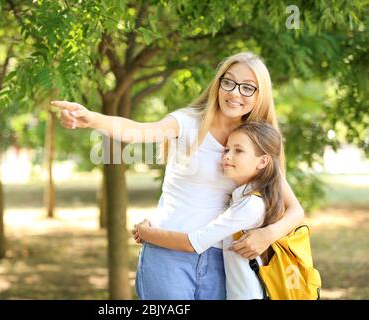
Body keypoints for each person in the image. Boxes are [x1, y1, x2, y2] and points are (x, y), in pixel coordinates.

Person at [51, 52, 304, 299]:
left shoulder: (256, 142)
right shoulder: (187, 122)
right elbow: (137, 132)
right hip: (167, 255)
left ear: (260, 95)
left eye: (248, 87)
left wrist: (266, 235)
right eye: (228, 82)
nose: (235, 92)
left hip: (222, 260)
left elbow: (295, 211)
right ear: (218, 83)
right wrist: (92, 119)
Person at [132, 121, 284, 300]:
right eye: (226, 150)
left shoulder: (250, 206)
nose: (227, 156)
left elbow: (192, 243)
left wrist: (145, 232)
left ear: (263, 161)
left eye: (239, 150)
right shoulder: (241, 199)